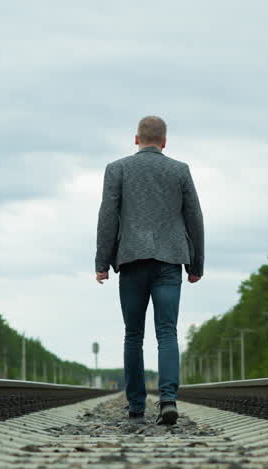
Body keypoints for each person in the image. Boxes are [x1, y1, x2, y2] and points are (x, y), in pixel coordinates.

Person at [95, 115, 204, 425]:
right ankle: (168, 399)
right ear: (164, 141)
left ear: (136, 139)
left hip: (131, 260)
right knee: (167, 332)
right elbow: (195, 218)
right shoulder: (180, 170)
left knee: (133, 336)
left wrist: (102, 263)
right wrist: (196, 264)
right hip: (169, 261)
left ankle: (136, 406)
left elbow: (108, 217)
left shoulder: (116, 169)